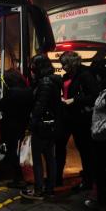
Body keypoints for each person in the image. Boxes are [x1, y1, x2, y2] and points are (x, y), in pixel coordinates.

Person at [20, 54, 62, 200]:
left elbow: (39, 107)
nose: (31, 70)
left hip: (42, 126)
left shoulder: (44, 83)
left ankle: (39, 190)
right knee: (51, 158)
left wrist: (30, 126)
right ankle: (50, 189)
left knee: (38, 159)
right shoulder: (54, 81)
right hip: (52, 125)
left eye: (33, 67)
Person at [57, 51, 99, 190]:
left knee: (85, 149)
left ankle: (89, 180)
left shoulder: (85, 75)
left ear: (72, 63)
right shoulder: (69, 76)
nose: (62, 67)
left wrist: (74, 100)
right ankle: (57, 177)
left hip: (80, 117)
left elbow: (94, 96)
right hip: (67, 116)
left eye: (64, 64)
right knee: (60, 145)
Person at [84, 58, 106, 211]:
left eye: (97, 75)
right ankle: (101, 202)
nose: (95, 78)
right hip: (103, 141)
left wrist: (100, 130)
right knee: (101, 174)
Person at [0, 69, 32, 188]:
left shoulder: (12, 92)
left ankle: (18, 178)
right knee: (15, 151)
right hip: (22, 124)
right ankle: (15, 174)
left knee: (12, 151)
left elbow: (1, 105)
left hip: (10, 126)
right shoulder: (28, 91)